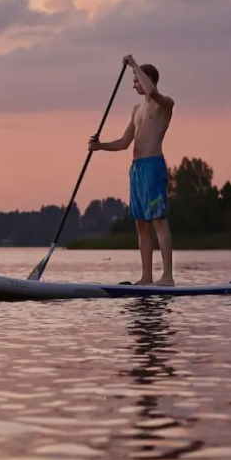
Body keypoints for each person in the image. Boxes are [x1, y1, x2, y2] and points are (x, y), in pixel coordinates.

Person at [88, 55, 176, 286]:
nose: (133, 84)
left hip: (153, 167)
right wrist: (100, 146)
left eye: (136, 80)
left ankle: (167, 277)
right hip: (136, 170)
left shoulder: (164, 103)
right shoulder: (137, 109)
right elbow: (125, 142)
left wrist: (135, 65)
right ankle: (146, 277)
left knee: (158, 221)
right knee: (141, 223)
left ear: (146, 78)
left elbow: (153, 92)